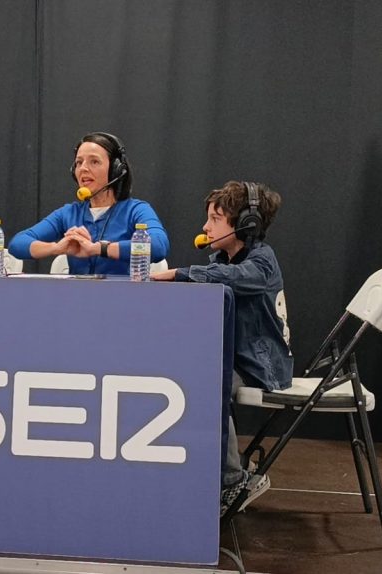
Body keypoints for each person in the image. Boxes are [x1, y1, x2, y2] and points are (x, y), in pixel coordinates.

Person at [151, 180, 293, 516]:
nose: (205, 227)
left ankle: (233, 480)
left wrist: (181, 274)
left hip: (261, 366)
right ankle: (213, 468)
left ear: (246, 224)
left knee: (209, 386)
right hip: (233, 359)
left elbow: (237, 278)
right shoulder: (220, 260)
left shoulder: (261, 261)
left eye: (215, 219)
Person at [8, 132, 168, 274]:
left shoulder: (136, 210)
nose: (83, 168)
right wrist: (57, 248)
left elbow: (158, 246)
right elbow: (17, 244)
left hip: (122, 296)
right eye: (79, 162)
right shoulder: (68, 213)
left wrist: (98, 248)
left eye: (94, 162)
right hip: (77, 296)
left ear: (115, 170)